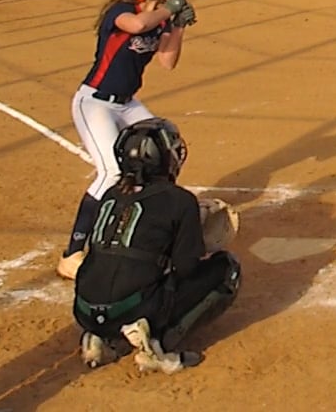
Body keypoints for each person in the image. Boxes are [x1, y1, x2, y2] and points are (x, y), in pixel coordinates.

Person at [60, 0, 196, 279]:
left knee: (165, 152)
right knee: (112, 171)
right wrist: (168, 10)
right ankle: (73, 253)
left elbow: (167, 61)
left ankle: (152, 232)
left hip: (127, 103)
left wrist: (178, 25)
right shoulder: (120, 10)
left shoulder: (160, 20)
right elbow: (136, 26)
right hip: (95, 103)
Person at [73, 118, 240, 373]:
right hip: (133, 308)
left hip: (84, 311)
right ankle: (157, 345)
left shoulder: (110, 194)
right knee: (227, 269)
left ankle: (98, 338)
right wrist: (196, 237)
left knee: (117, 264)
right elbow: (186, 268)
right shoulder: (180, 201)